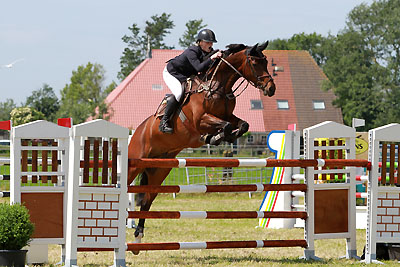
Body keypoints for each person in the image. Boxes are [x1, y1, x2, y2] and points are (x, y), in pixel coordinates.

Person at [160, 29, 223, 134]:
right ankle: (164, 122)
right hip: (172, 73)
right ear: (200, 42)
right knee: (179, 93)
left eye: (211, 42)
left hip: (185, 75)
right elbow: (199, 68)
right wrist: (212, 58)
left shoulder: (207, 52)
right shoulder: (192, 51)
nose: (210, 44)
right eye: (208, 42)